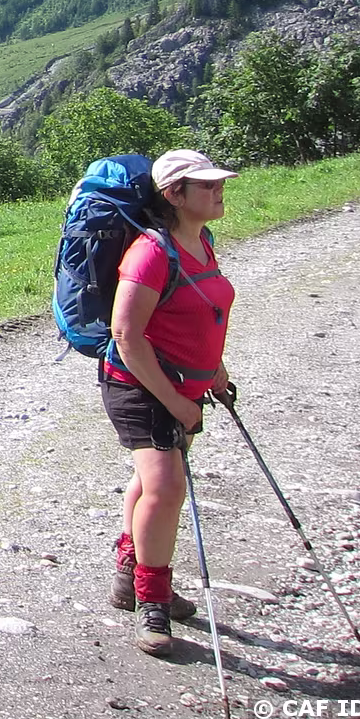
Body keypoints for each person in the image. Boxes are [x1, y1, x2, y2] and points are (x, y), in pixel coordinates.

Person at [103, 147, 239, 657]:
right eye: (206, 184)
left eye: (218, 181)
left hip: (183, 385)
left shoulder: (200, 242)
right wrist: (177, 403)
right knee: (166, 488)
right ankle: (152, 600)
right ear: (174, 195)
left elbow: (200, 312)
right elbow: (126, 335)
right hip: (140, 384)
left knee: (150, 484)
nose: (218, 189)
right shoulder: (151, 253)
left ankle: (128, 573)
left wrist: (214, 370)